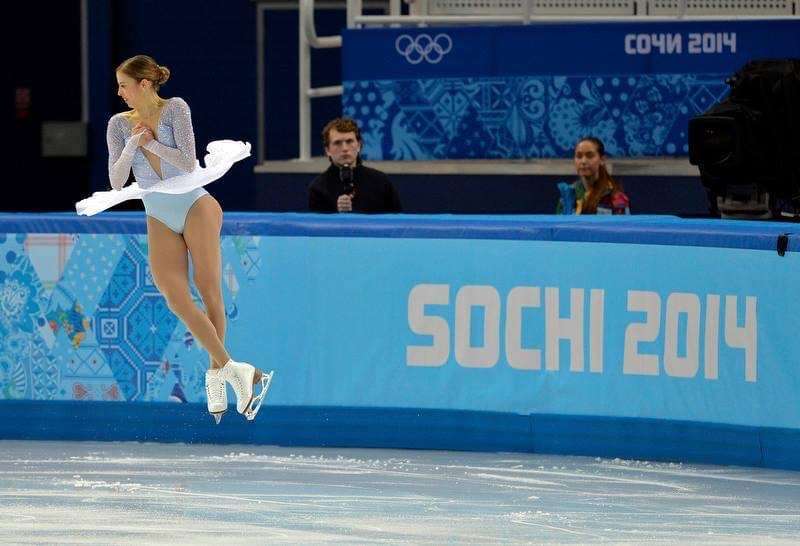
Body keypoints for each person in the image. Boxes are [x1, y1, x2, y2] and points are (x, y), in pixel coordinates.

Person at [105, 55, 272, 423]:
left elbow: (187, 163)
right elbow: (117, 182)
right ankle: (233, 369)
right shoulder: (118, 125)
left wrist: (150, 145)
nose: (119, 93)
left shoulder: (176, 108)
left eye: (124, 85)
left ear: (144, 84)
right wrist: (133, 146)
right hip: (158, 211)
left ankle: (216, 376)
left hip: (195, 203)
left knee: (208, 286)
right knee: (175, 295)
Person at [308, 117, 402, 213]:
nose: (344, 148)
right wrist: (337, 213)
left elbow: (397, 223)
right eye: (337, 143)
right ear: (327, 150)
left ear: (359, 145)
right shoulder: (318, 188)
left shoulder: (381, 182)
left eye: (349, 141)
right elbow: (318, 226)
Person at [556, 136, 630, 215]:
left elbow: (624, 227)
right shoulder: (568, 195)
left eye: (590, 156)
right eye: (579, 156)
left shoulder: (616, 198)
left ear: (602, 160)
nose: (583, 161)